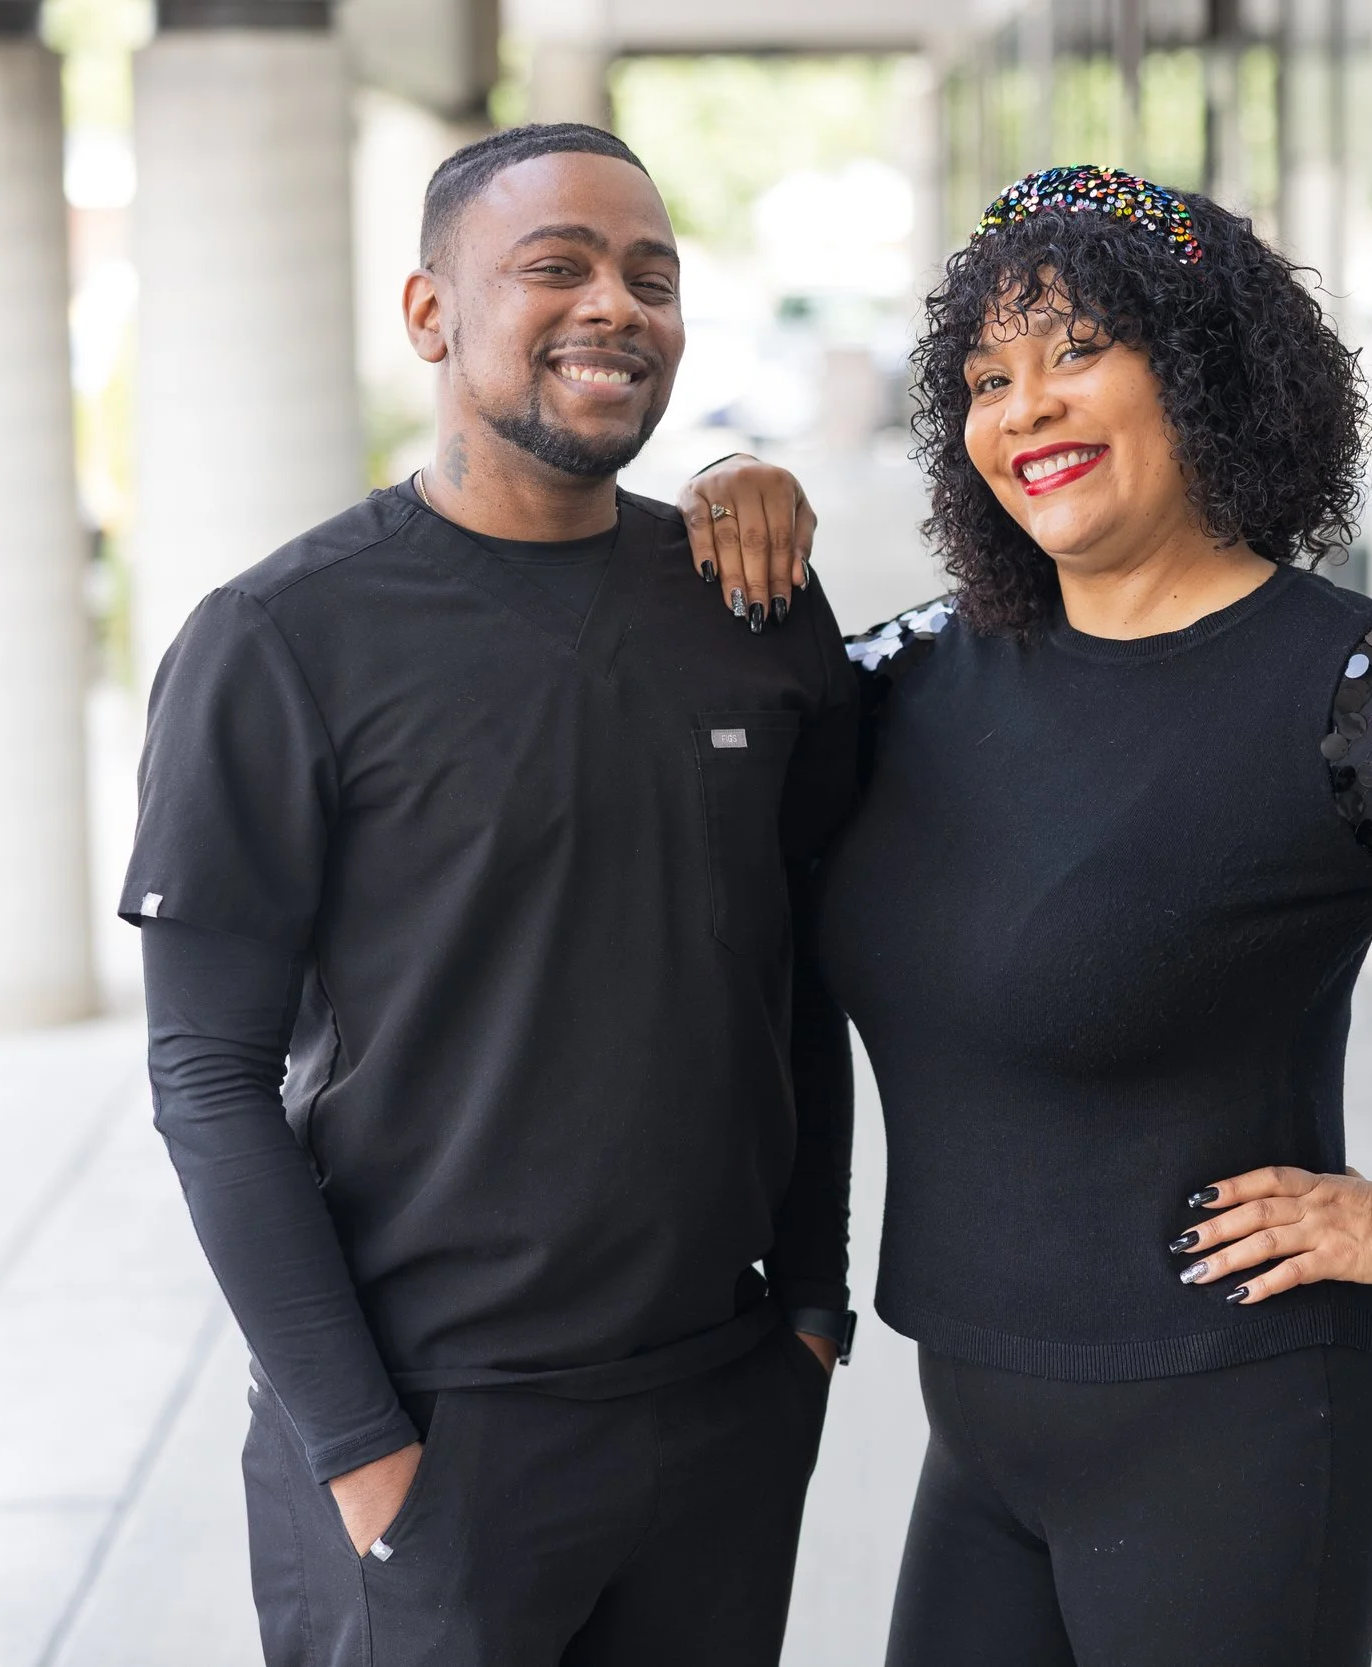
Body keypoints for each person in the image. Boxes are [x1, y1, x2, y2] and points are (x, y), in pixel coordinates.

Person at [692, 164, 1372, 1666]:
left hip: (1239, 1427)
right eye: (989, 377)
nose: (1025, 407)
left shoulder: (1349, 690)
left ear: (1200, 369)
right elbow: (701, 759)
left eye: (1075, 351)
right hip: (979, 1425)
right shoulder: (919, 674)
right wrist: (735, 495)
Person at [124, 123, 856, 1667]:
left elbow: (803, 976)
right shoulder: (279, 639)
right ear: (429, 314)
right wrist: (361, 1448)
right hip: (438, 1438)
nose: (618, 305)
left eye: (652, 277)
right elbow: (205, 1073)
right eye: (558, 267)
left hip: (723, 1404)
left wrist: (810, 1311)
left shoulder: (752, 614)